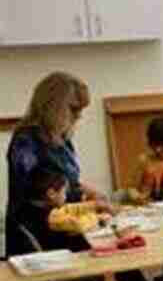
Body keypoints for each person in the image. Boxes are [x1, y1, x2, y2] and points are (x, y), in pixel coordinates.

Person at [6, 72, 104, 256]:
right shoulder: (26, 141)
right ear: (54, 106)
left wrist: (89, 193)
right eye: (73, 109)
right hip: (39, 232)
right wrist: (84, 206)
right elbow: (34, 192)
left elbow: (66, 180)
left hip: (65, 223)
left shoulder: (61, 139)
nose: (78, 116)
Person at [10, 169, 104, 255]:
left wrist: (95, 205)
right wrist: (98, 218)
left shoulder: (29, 208)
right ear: (51, 194)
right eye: (64, 192)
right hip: (65, 257)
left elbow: (66, 209)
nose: (65, 196)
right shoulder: (50, 216)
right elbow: (79, 225)